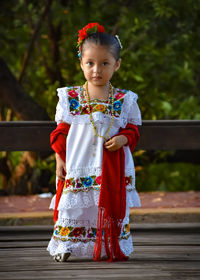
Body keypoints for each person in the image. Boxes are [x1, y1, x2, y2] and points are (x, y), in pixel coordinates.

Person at [47, 22, 142, 262]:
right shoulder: (70, 98)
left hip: (110, 166)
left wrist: (123, 138)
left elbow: (133, 130)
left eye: (104, 63)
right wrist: (60, 158)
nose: (96, 70)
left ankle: (108, 243)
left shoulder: (124, 100)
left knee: (105, 204)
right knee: (75, 207)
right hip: (78, 164)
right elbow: (60, 132)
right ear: (81, 63)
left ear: (117, 65)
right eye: (90, 63)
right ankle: (66, 246)